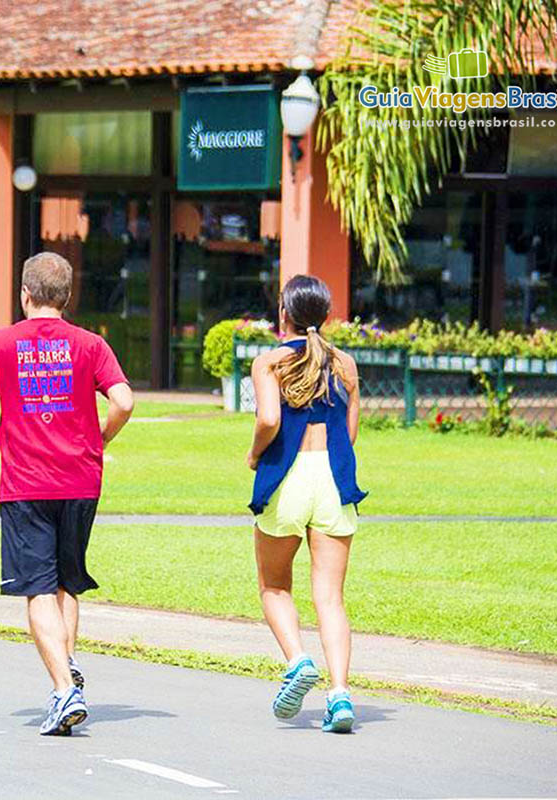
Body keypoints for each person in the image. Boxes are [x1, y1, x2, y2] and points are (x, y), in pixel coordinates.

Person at [0, 251, 135, 736]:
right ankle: (68, 666)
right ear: (66, 296)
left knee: (36, 587)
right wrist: (101, 437)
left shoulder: (1, 343)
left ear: (25, 294)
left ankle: (63, 688)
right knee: (66, 581)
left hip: (26, 484)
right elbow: (124, 400)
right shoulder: (90, 344)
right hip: (81, 479)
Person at [245, 275, 367, 734]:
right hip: (334, 480)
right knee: (331, 598)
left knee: (274, 585)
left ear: (284, 314)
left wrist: (255, 453)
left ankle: (298, 662)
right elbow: (351, 434)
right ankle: (339, 696)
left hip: (288, 478)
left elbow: (270, 419)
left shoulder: (269, 362)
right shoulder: (345, 364)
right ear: (325, 315)